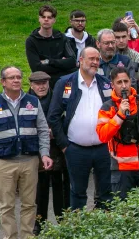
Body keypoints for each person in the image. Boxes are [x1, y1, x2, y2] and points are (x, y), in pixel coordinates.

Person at [0, 66, 53, 239]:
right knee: (7, 205)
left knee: (30, 204)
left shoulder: (33, 102)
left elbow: (43, 130)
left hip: (29, 160)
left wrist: (44, 154)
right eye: (11, 78)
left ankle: (28, 238)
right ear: (3, 82)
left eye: (19, 77)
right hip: (4, 162)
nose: (16, 80)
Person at [47, 47, 114, 211]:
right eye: (91, 58)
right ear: (80, 61)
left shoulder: (105, 83)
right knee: (77, 192)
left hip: (104, 148)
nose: (95, 62)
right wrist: (64, 145)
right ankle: (78, 229)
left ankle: (107, 229)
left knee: (106, 192)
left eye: (97, 59)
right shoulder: (65, 83)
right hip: (75, 149)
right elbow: (53, 116)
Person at [97, 66, 139, 199]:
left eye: (126, 81)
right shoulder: (107, 108)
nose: (123, 86)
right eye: (119, 82)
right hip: (122, 170)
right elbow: (103, 136)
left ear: (131, 81)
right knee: (124, 214)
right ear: (112, 85)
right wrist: (120, 115)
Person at [28, 71, 68, 234]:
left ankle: (62, 219)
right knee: (40, 187)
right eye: (38, 83)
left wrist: (56, 131)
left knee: (59, 184)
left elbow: (65, 117)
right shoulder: (26, 100)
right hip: (35, 147)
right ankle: (39, 221)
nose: (41, 86)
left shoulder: (57, 97)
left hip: (57, 146)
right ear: (31, 85)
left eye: (44, 82)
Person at [24, 5, 78, 88]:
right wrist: (62, 64)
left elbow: (72, 61)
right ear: (39, 19)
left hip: (66, 82)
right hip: (43, 83)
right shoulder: (31, 40)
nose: (46, 19)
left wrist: (48, 61)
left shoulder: (61, 37)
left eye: (49, 17)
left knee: (69, 97)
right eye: (43, 17)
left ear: (54, 20)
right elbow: (36, 68)